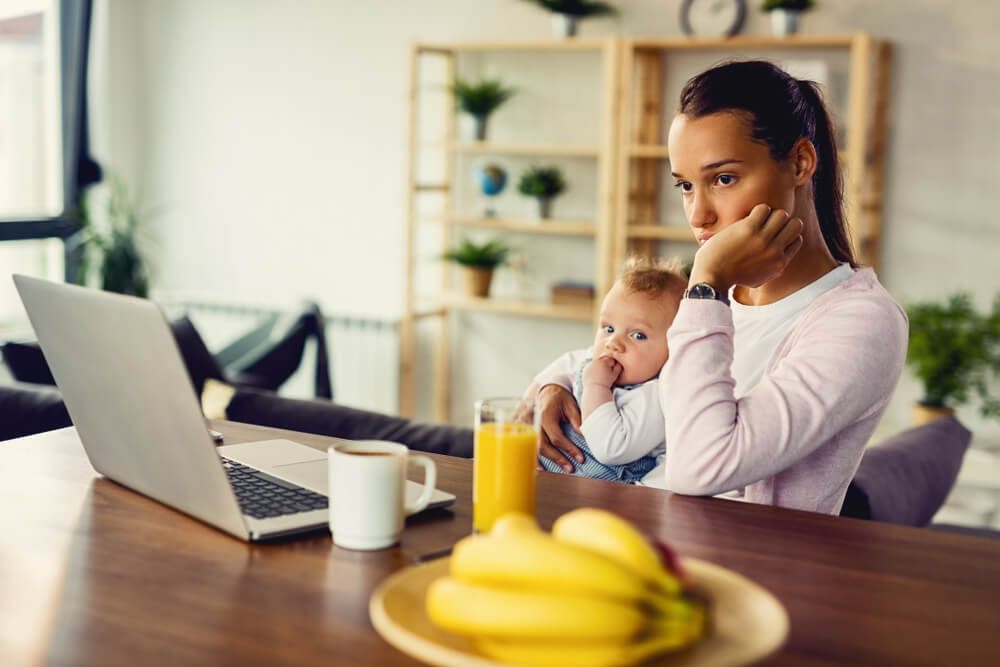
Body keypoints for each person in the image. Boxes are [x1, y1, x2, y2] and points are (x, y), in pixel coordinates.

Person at [524, 60, 908, 514]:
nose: (697, 215)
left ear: (801, 163)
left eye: (723, 179)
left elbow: (701, 469)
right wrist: (554, 386)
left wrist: (707, 284)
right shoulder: (712, 293)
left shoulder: (859, 321)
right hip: (629, 543)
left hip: (748, 573)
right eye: (686, 186)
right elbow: (623, 351)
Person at [527, 258, 687, 483]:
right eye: (608, 328)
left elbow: (612, 448)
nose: (613, 342)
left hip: (591, 492)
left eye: (638, 335)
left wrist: (596, 386)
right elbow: (561, 378)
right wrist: (558, 383)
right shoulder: (596, 363)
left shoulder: (657, 396)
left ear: (675, 348)